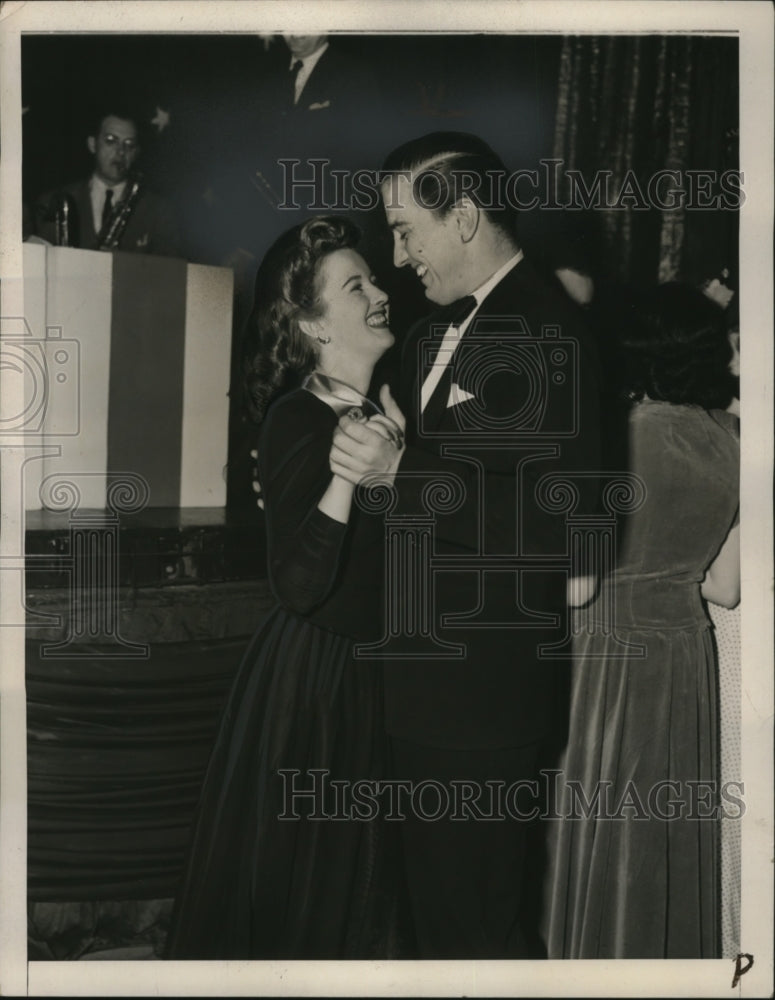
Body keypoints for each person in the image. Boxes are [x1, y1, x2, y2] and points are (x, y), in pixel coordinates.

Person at [330, 132, 602, 957]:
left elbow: (562, 526)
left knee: (475, 935)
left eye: (406, 230)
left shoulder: (550, 327)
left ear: (466, 217)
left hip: (481, 703)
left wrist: (402, 469)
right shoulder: (445, 328)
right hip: (426, 691)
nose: (399, 254)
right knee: (437, 929)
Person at [165, 216, 408, 959]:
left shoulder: (391, 413)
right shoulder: (298, 417)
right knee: (309, 904)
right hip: (317, 685)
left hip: (380, 675)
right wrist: (348, 474)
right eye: (355, 284)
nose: (380, 292)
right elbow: (298, 583)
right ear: (311, 323)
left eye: (374, 277)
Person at [542, 282, 740, 959]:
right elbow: (726, 586)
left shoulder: (612, 437)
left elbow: (571, 590)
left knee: (591, 834)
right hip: (685, 660)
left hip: (602, 655)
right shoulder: (734, 440)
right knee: (659, 844)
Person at [33, 107, 181, 257]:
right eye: (111, 141)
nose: (121, 152)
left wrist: (123, 264)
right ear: (92, 145)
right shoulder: (52, 202)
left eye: (129, 144)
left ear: (136, 153)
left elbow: (172, 270)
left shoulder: (159, 210)